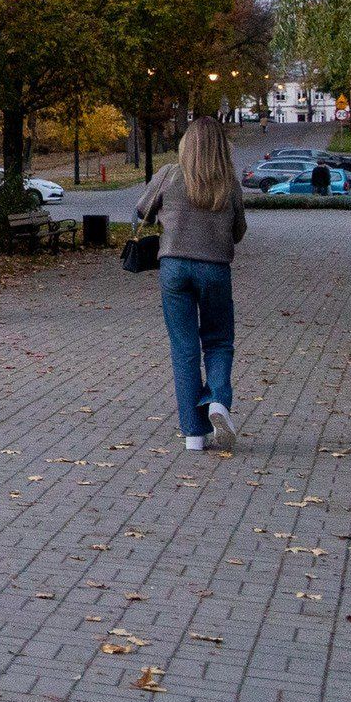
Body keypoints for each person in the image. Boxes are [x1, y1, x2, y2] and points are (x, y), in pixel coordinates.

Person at [137, 117, 247, 452]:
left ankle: (193, 435)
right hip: (215, 268)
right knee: (218, 341)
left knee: (184, 349)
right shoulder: (228, 182)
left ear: (188, 143)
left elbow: (142, 209)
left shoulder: (170, 174)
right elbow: (239, 232)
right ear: (220, 147)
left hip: (173, 267)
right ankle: (216, 400)